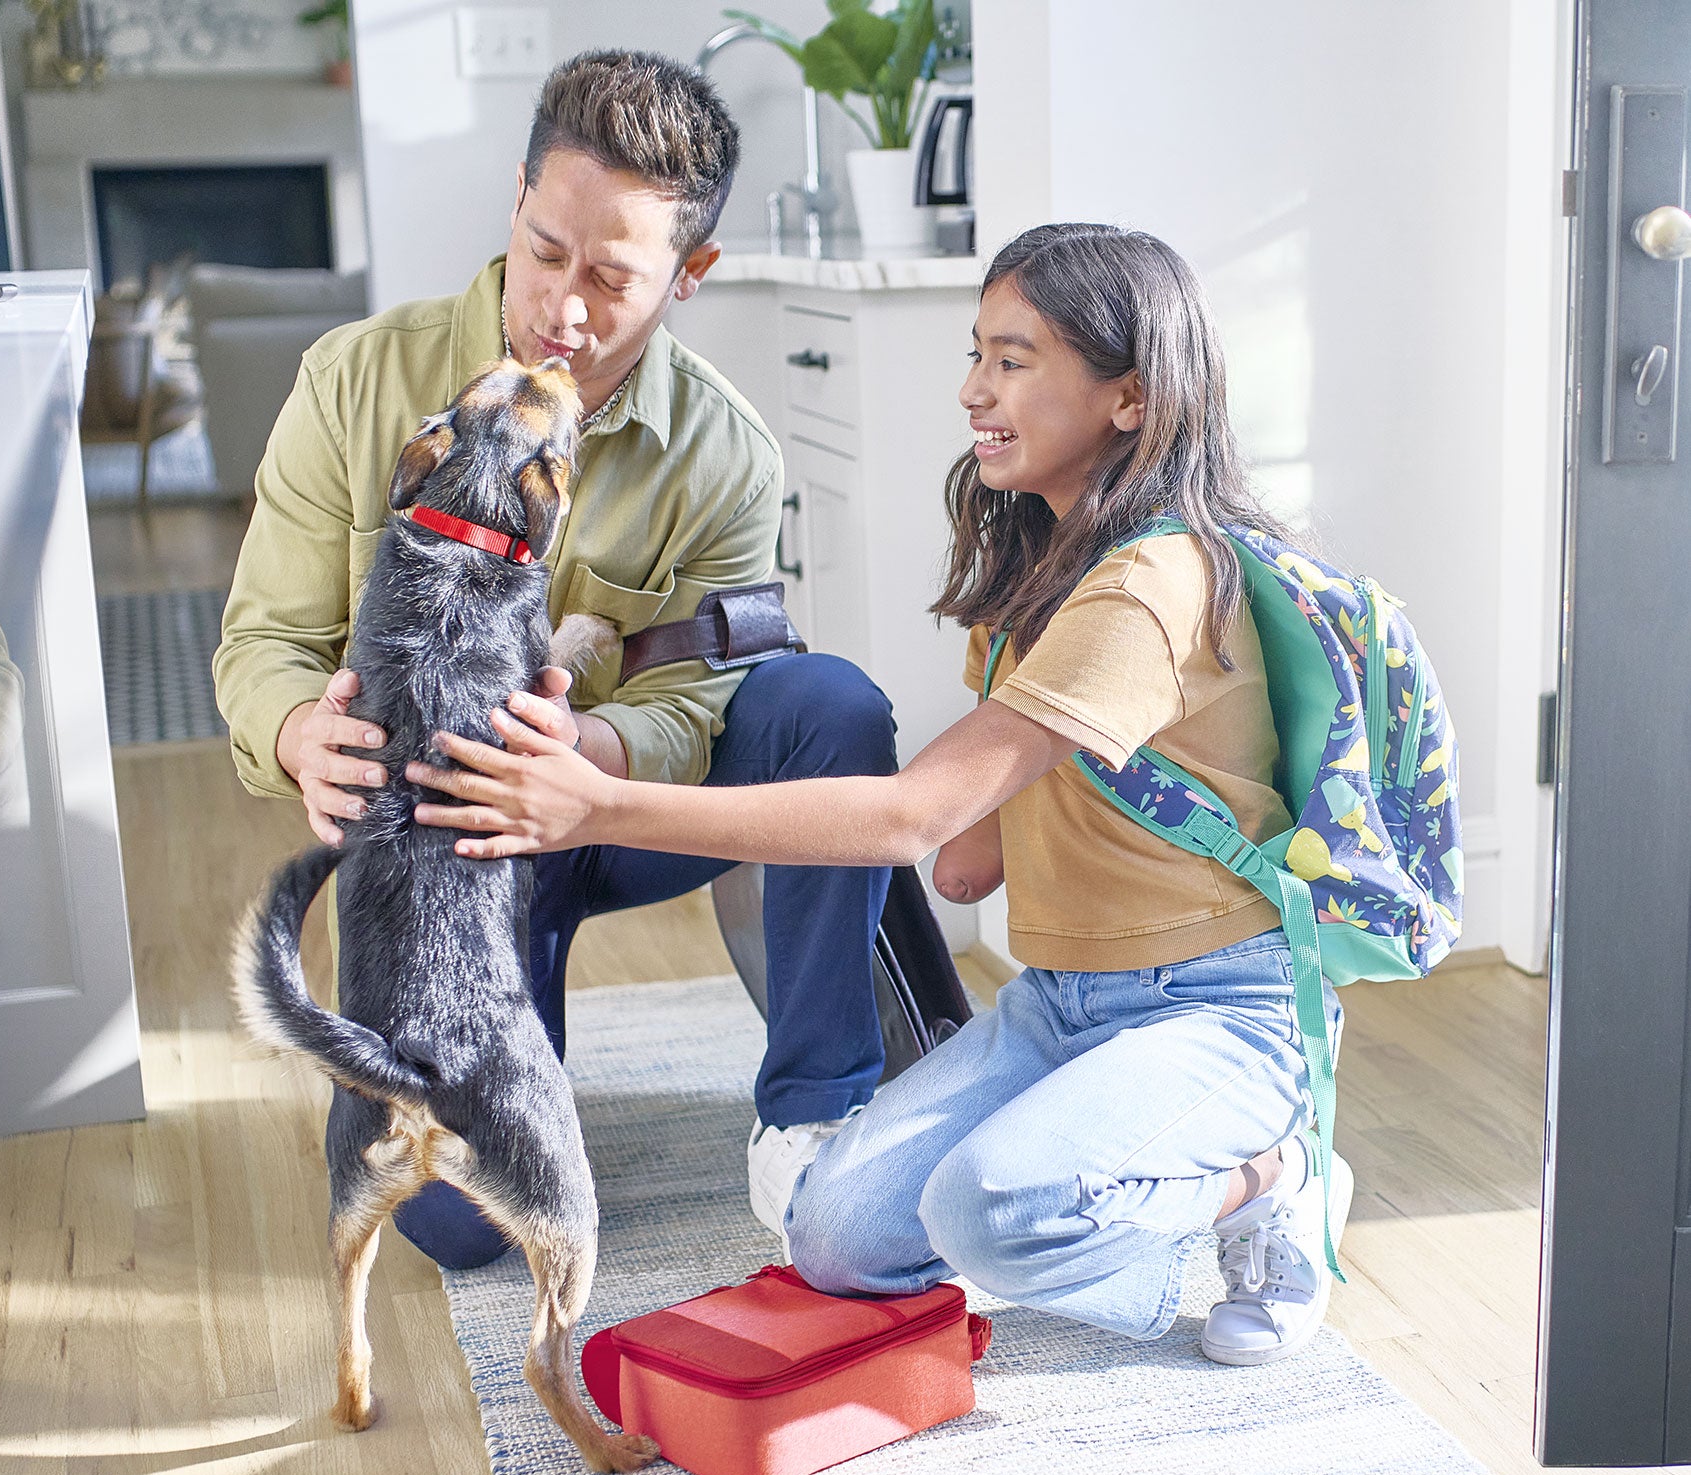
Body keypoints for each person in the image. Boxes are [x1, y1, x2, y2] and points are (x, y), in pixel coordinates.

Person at [400, 222, 1359, 1368]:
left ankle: (1277, 1176)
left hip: (1217, 1007)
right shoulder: (1040, 574)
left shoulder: (1150, 585)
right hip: (1064, 1004)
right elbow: (964, 870)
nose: (972, 390)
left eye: (1014, 360)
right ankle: (1103, 1173)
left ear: (1129, 398)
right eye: (976, 353)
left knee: (989, 1214)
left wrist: (599, 805)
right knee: (834, 1235)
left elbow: (915, 823)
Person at [213, 51, 898, 1271]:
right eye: (544, 249)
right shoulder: (354, 382)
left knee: (826, 703)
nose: (561, 310)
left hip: (620, 811)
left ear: (693, 277)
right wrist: (293, 736)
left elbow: (706, 696)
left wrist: (595, 753)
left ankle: (816, 1116)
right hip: (443, 860)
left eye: (611, 277)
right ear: (518, 199)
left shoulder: (727, 455)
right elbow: (263, 641)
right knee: (460, 1226)